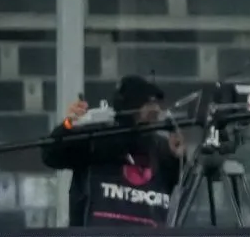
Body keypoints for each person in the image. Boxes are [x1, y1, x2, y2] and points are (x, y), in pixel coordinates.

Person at [42, 74, 185, 227]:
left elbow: (178, 192)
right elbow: (51, 155)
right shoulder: (97, 138)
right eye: (149, 103)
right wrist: (68, 126)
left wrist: (178, 159)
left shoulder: (160, 147)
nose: (156, 109)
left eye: (157, 104)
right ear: (133, 106)